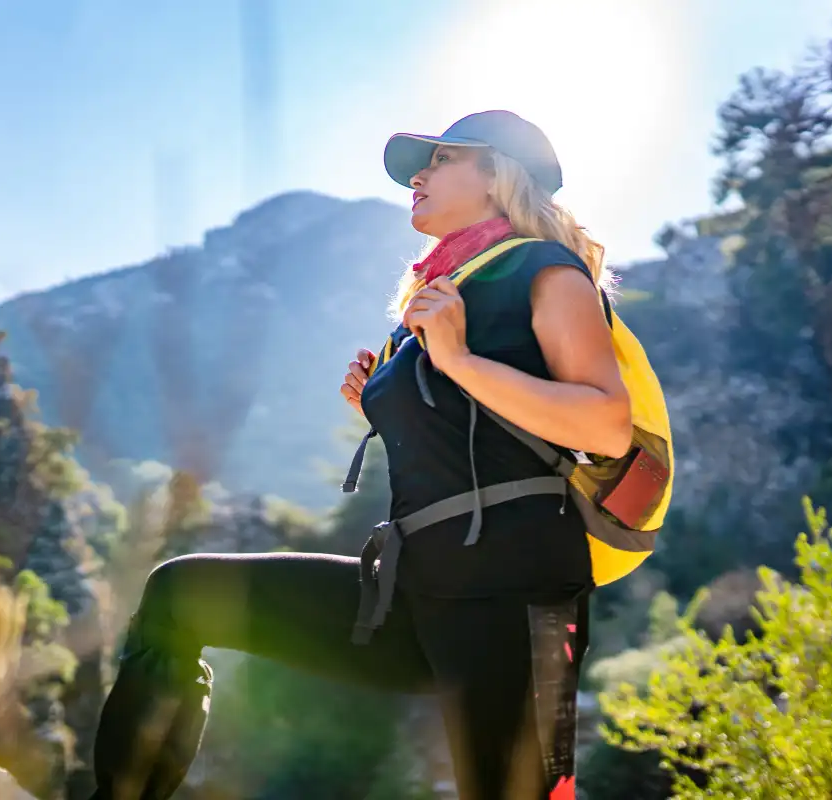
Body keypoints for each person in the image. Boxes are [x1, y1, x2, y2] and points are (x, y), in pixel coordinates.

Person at [87, 110, 634, 800]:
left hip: (512, 595)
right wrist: (383, 402)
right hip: (412, 588)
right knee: (181, 596)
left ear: (497, 175)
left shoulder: (547, 273)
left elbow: (607, 424)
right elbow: (470, 427)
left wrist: (456, 360)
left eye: (439, 160)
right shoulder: (436, 297)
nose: (419, 177)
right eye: (419, 167)